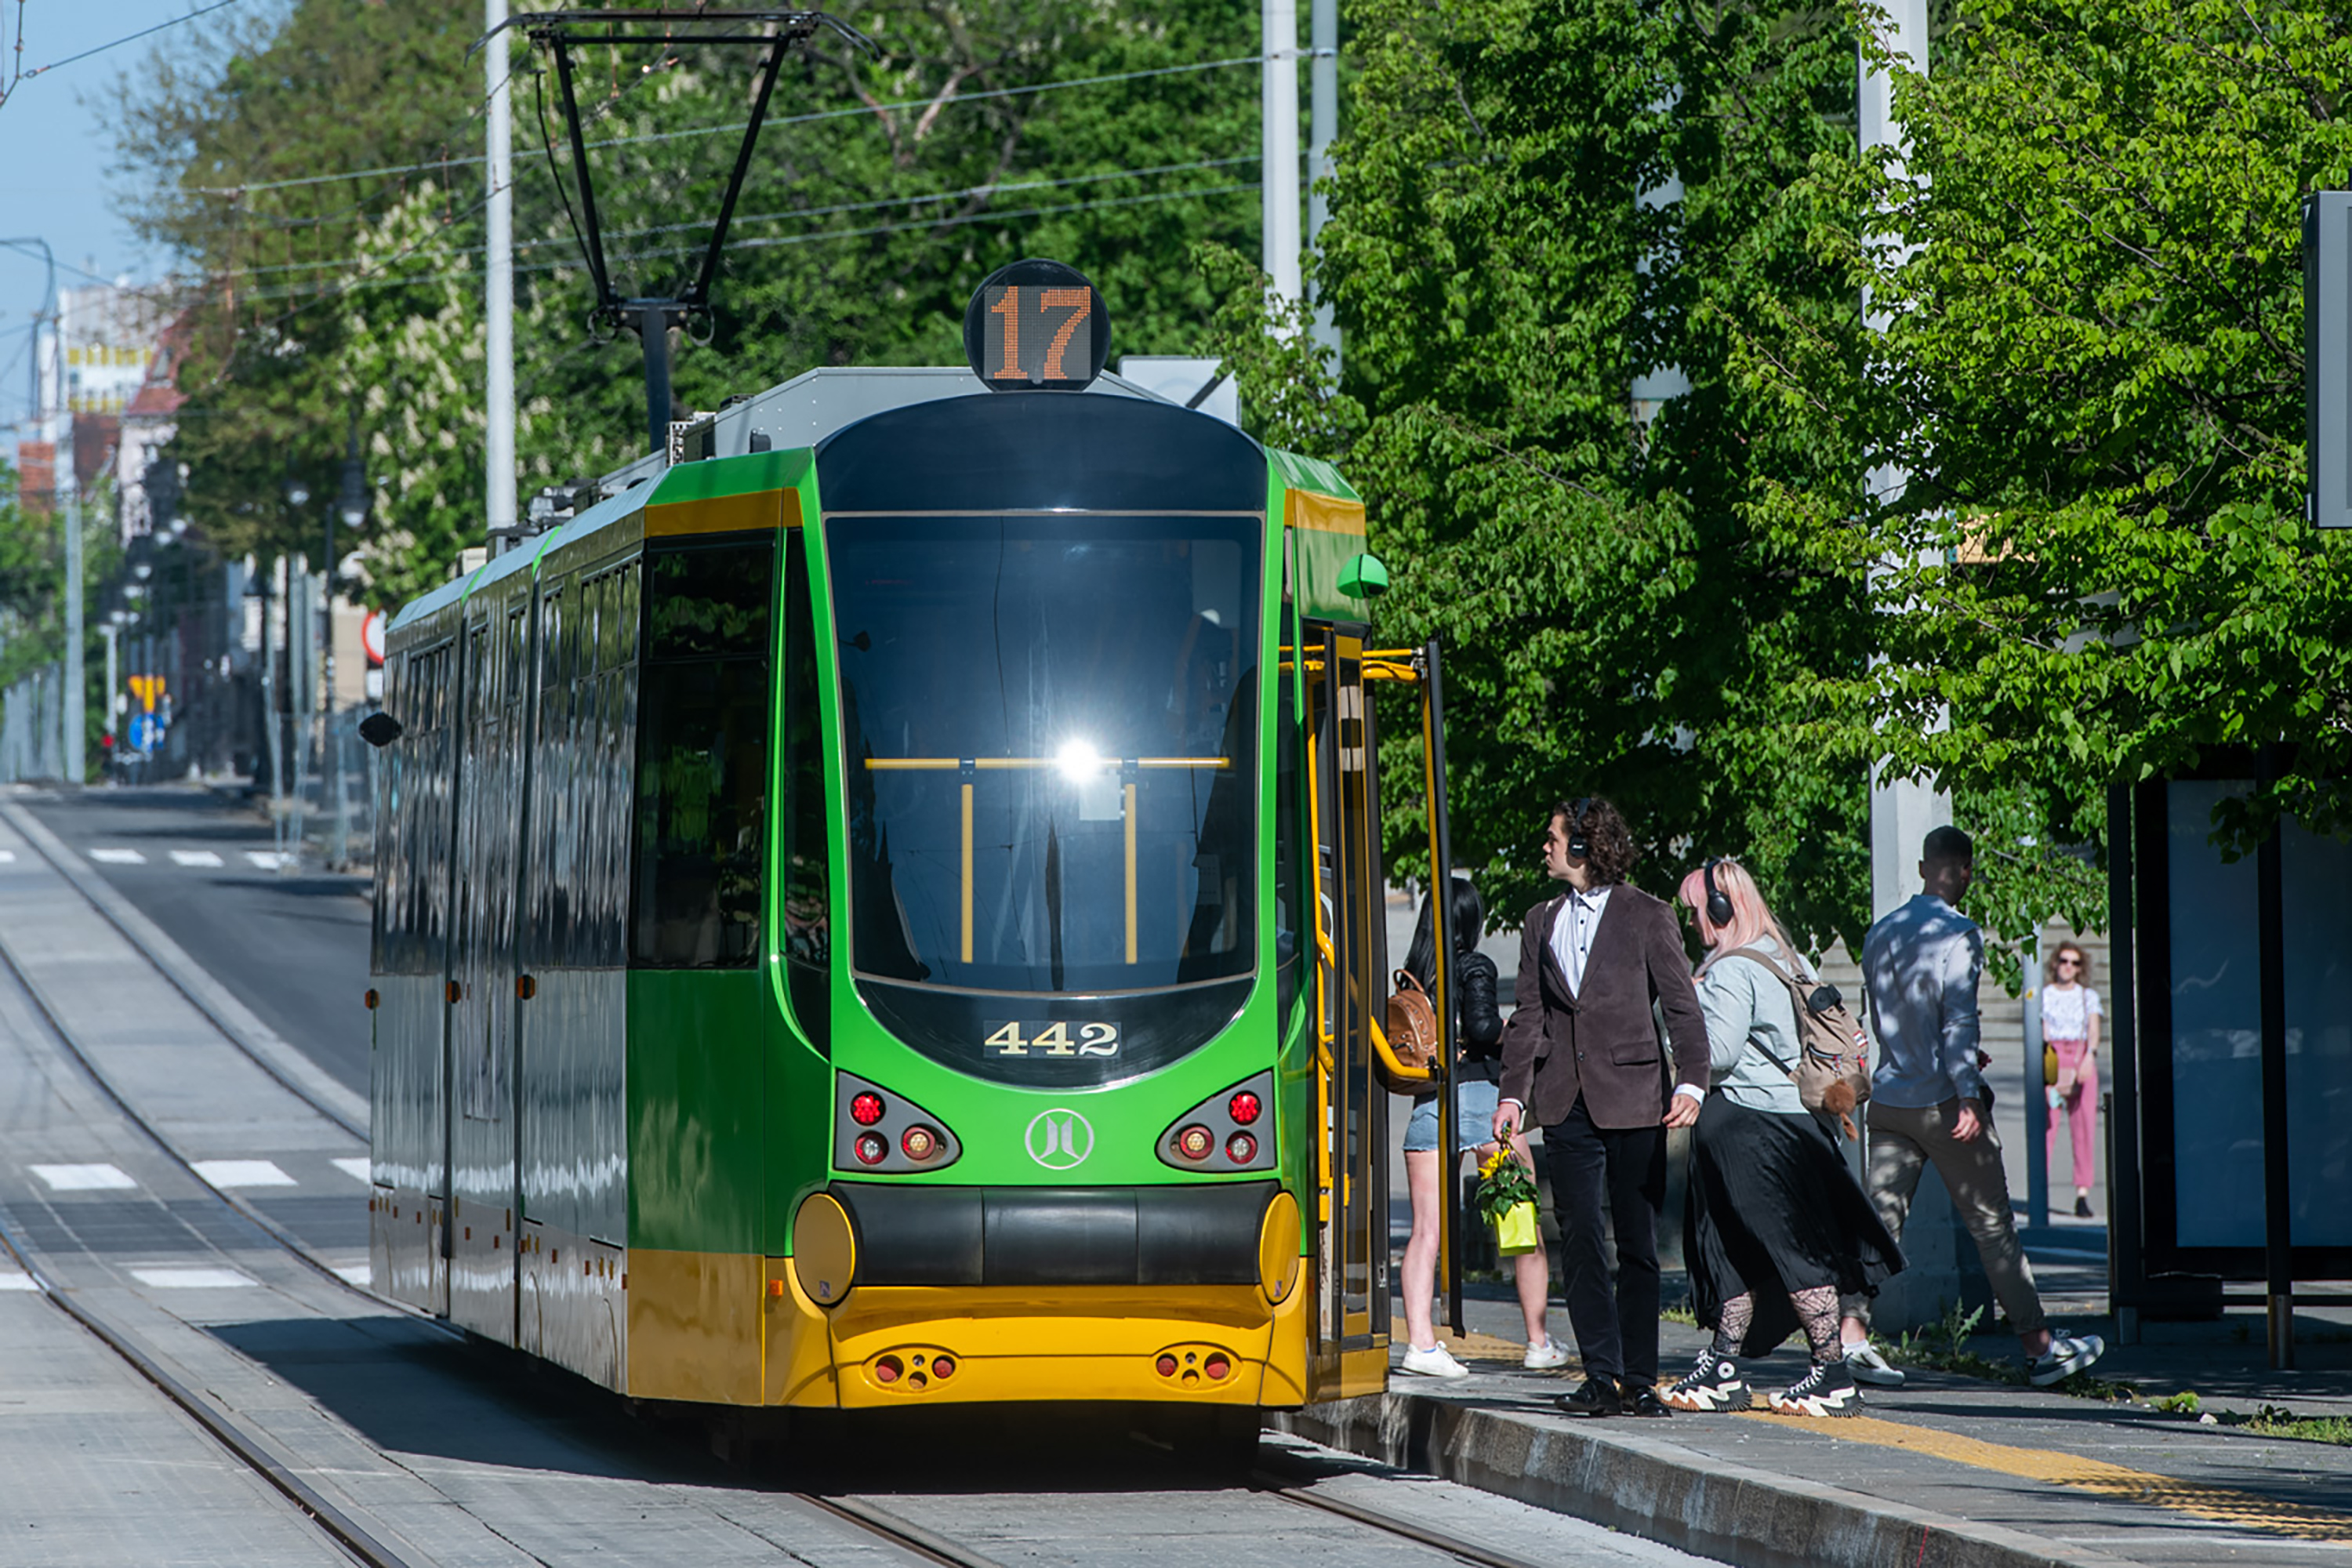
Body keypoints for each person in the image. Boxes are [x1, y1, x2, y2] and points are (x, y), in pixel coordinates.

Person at [1837, 826, 2106, 1389]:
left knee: (1879, 1225)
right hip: (1942, 1102)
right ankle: (2039, 1348)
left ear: (1920, 869)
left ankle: (1851, 1337)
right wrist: (1966, 1092)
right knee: (1992, 1228)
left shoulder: (1879, 933)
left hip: (1888, 1098)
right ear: (1965, 871)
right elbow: (1958, 1020)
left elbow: (1893, 1018)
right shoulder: (1959, 935)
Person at [1661, 858, 1902, 1417]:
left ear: (1720, 911)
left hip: (1756, 1128)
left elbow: (1715, 1055)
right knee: (1733, 1251)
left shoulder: (1730, 972)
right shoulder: (1783, 957)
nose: (1692, 921)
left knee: (1790, 1250)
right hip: (1780, 1127)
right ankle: (1723, 1365)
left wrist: (1675, 1008)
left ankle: (1832, 1372)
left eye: (1696, 910)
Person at [1494, 797, 1710, 1418]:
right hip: (1565, 1102)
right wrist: (1514, 1094)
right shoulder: (1540, 920)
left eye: (1554, 838)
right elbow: (1530, 1014)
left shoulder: (1649, 915)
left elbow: (1680, 1006)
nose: (1546, 847)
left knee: (1637, 1243)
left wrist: (1691, 1082)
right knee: (1583, 1239)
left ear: (1585, 847)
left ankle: (1640, 1376)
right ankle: (1600, 1374)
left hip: (1637, 1099)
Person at [1396, 877, 1566, 1377]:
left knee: (1425, 1232)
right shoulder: (1474, 964)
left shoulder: (1413, 975)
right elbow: (1484, 1027)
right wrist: (1523, 1034)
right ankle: (1538, 1341)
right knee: (1519, 1222)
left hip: (1429, 1103)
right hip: (1482, 1100)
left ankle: (1422, 1345)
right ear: (1470, 918)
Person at [2042, 941, 2103, 1219]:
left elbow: (2093, 1028)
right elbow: (2042, 1032)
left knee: (2084, 1128)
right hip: (2054, 1054)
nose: (2069, 967)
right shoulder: (2045, 995)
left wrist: (2089, 1057)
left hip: (2079, 1055)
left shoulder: (2087, 996)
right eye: (2064, 961)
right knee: (2046, 1126)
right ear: (2055, 963)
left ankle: (2082, 1193)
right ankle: (2039, 1188)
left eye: (2075, 963)